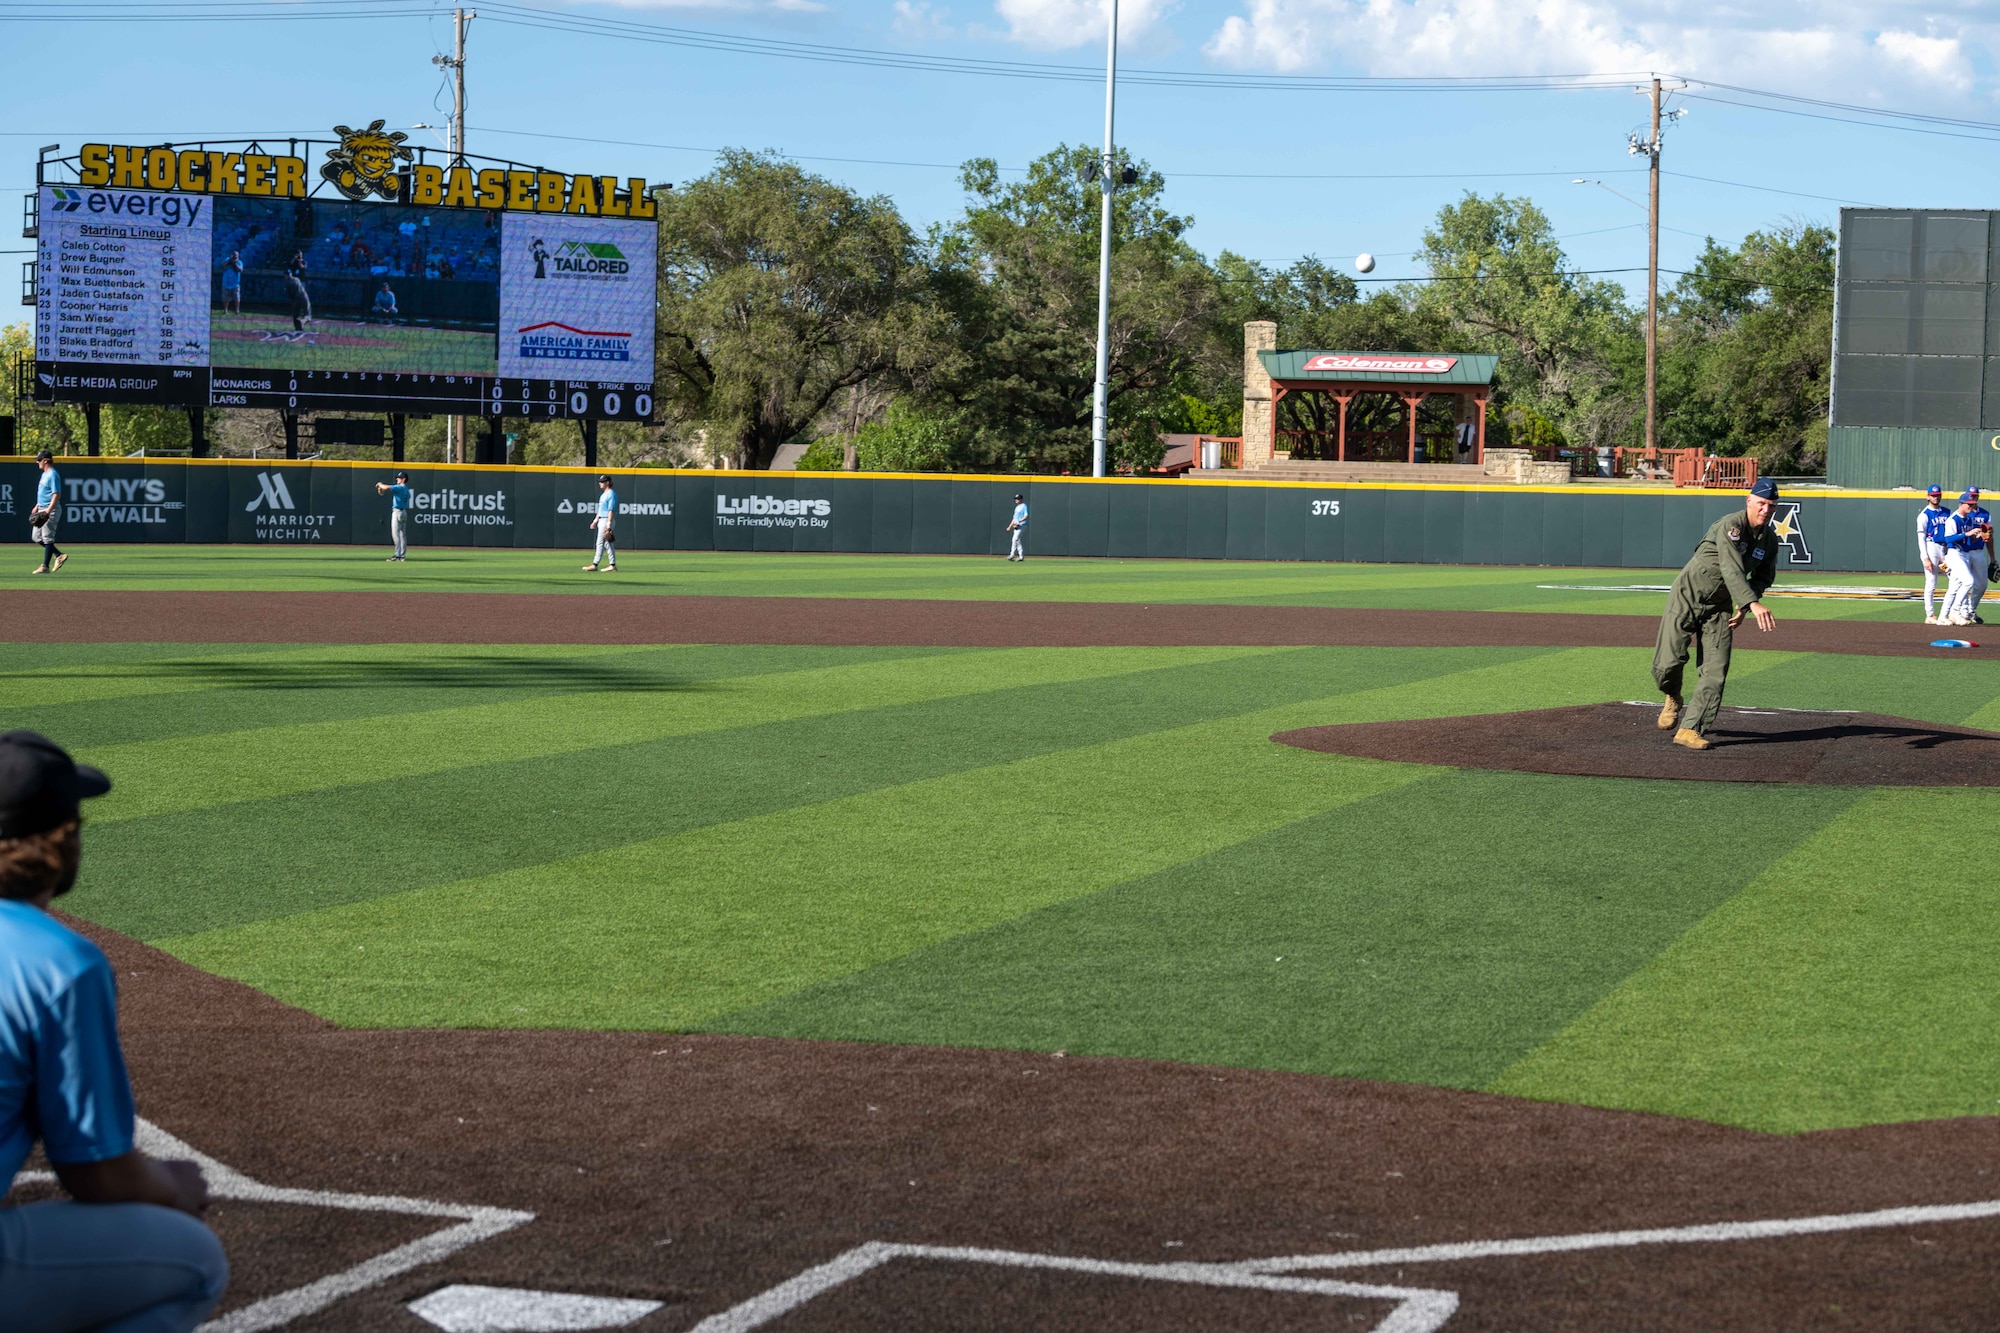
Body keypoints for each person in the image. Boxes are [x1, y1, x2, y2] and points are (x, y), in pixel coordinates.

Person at [0, 731, 228, 1331]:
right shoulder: (57, 962)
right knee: (194, 1258)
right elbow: (95, 1172)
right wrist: (172, 1185)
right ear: (62, 840)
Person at [1652, 477, 1782, 751]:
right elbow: (1731, 568)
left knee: (1715, 669)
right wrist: (1751, 604)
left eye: (1771, 505)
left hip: (1719, 608)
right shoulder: (1731, 526)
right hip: (1688, 595)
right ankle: (1672, 695)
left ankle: (1690, 729)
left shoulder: (1769, 540)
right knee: (1667, 665)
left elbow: (1763, 576)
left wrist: (1748, 600)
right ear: (1749, 501)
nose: (1766, 510)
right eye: (1761, 503)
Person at [1937, 489, 1993, 627]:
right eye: (1968, 503)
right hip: (1954, 554)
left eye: (1973, 503)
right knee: (1968, 581)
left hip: (1964, 554)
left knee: (1954, 587)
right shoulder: (1953, 519)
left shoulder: (1969, 519)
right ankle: (1955, 612)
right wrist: (1967, 534)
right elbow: (1948, 538)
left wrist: (1977, 537)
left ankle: (1942, 616)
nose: (1971, 506)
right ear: (1961, 504)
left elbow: (1969, 541)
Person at [1919, 484, 1951, 625]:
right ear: (1928, 497)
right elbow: (1921, 538)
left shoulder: (1947, 512)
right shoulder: (1924, 515)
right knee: (1931, 582)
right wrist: (1924, 557)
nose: (1935, 497)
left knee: (1955, 578)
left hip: (1945, 550)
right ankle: (1930, 614)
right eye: (1933, 495)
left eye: (1937, 495)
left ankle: (1952, 612)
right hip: (1931, 547)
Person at [29, 450, 64, 575]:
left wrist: (49, 510)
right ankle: (58, 555)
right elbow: (44, 492)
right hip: (42, 507)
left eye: (39, 460)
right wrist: (37, 505)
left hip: (50, 508)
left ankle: (45, 566)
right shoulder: (45, 474)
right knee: (36, 537)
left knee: (48, 538)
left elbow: (56, 494)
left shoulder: (53, 474)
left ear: (45, 461)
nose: (37, 462)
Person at [374, 470, 412, 562]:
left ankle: (398, 555)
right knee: (402, 534)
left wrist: (380, 484)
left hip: (397, 512)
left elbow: (386, 487)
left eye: (399, 478)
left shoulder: (400, 488)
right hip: (403, 512)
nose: (397, 479)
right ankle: (402, 556)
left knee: (396, 534)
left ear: (404, 479)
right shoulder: (406, 490)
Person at [584, 474, 617, 572]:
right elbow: (600, 509)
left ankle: (595, 564)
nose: (600, 483)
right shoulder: (603, 495)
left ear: (607, 482)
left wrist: (608, 524)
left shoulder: (611, 494)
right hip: (602, 519)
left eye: (602, 482)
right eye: (600, 481)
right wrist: (595, 521)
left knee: (600, 543)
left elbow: (611, 510)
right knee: (607, 543)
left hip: (606, 519)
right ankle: (612, 565)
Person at [283, 251, 311, 332]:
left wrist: (299, 261)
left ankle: (299, 326)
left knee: (297, 311)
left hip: (298, 289)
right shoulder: (294, 278)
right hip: (299, 291)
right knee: (306, 313)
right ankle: (301, 323)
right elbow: (290, 265)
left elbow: (303, 267)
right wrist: (295, 258)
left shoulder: (303, 262)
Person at [1005, 493, 1028, 562]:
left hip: (1022, 525)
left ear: (1021, 499)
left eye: (1017, 499)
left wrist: (1019, 521)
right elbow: (1014, 518)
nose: (1016, 500)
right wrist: (1009, 526)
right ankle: (1021, 556)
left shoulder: (1024, 506)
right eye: (1015, 499)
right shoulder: (1017, 507)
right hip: (1016, 526)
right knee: (1017, 540)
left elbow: (1026, 516)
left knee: (1015, 539)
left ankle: (1012, 555)